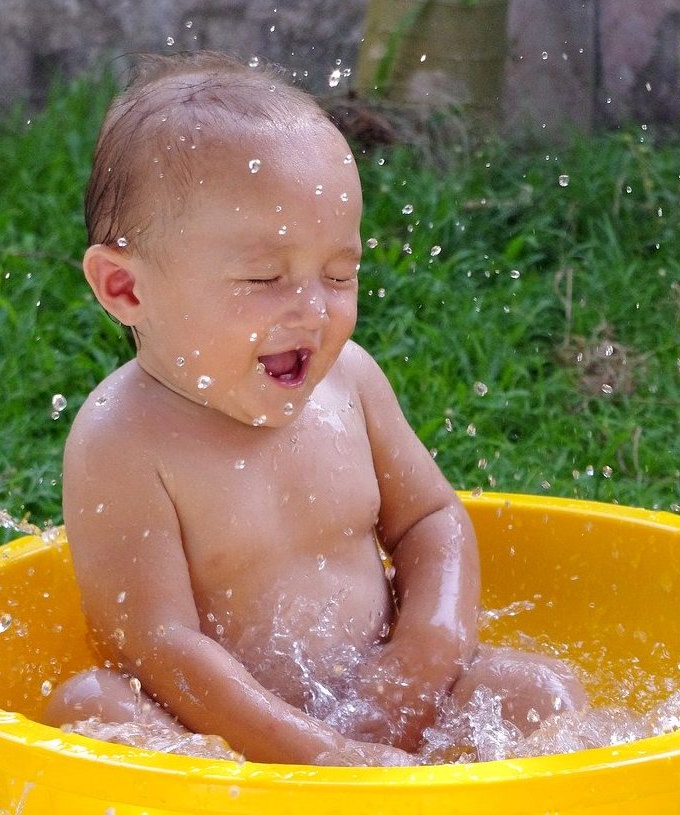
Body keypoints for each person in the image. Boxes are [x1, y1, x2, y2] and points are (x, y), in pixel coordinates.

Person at [44, 51, 586, 766]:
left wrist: (422, 654)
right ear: (126, 289)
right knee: (89, 710)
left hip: (382, 705)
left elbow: (431, 520)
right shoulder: (123, 438)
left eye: (339, 274)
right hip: (223, 744)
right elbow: (158, 646)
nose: (310, 309)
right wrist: (316, 752)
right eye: (264, 276)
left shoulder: (350, 383)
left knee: (543, 691)